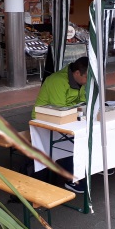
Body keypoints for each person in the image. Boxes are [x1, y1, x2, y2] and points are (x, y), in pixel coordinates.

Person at [33, 56, 88, 193]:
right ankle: (72, 178)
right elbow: (60, 110)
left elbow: (83, 102)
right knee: (70, 141)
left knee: (85, 134)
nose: (88, 81)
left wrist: (79, 109)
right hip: (43, 120)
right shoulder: (57, 81)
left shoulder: (79, 81)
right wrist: (78, 109)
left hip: (66, 117)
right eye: (87, 77)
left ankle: (86, 169)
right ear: (77, 73)